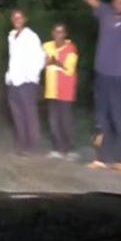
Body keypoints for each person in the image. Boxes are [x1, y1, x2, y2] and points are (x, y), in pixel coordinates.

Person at [65, 0, 121, 172]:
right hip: (101, 74)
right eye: (117, 0)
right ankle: (102, 158)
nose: (120, 3)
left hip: (117, 76)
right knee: (100, 118)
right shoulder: (105, 12)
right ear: (112, 3)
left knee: (118, 116)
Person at [5, 9, 45, 155]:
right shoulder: (11, 35)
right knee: (17, 114)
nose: (17, 20)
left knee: (29, 114)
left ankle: (32, 146)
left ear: (25, 19)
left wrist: (31, 76)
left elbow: (40, 58)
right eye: (14, 17)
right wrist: (9, 77)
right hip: (13, 81)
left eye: (19, 17)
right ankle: (22, 144)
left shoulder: (31, 36)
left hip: (27, 82)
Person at [43, 22, 79, 161]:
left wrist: (55, 62)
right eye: (56, 31)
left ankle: (70, 150)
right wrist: (48, 61)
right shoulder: (47, 46)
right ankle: (57, 149)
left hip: (65, 90)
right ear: (52, 33)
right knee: (53, 121)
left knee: (66, 121)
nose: (58, 35)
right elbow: (41, 62)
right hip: (51, 90)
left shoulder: (71, 48)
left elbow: (69, 70)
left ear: (65, 34)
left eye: (61, 32)